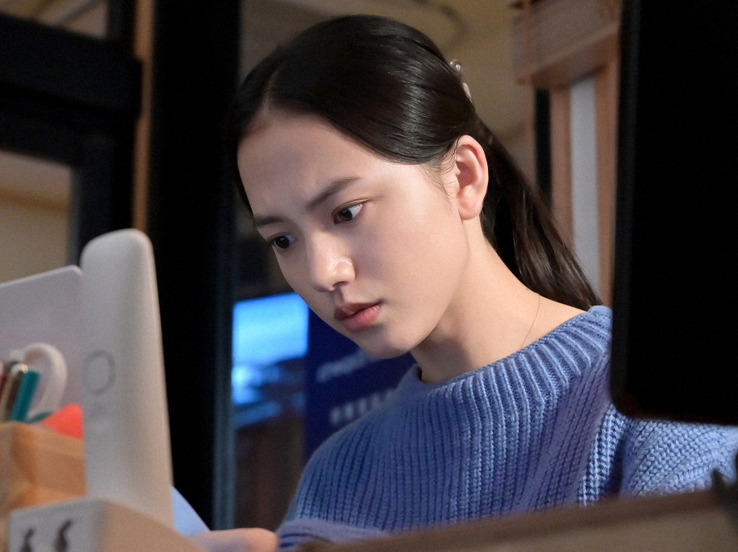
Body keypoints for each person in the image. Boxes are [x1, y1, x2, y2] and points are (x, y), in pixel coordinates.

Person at [219, 14, 738, 551]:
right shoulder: (336, 477)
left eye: (346, 212)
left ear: (464, 176)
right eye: (283, 239)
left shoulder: (656, 400)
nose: (322, 272)